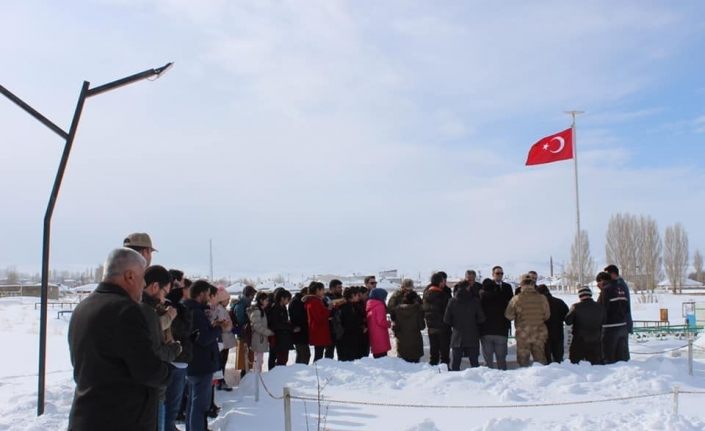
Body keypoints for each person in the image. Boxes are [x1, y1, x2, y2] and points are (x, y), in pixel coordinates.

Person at [68, 248, 171, 431]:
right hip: (122, 419)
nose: (143, 285)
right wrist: (167, 371)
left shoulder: (83, 307)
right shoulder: (127, 310)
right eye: (142, 279)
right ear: (130, 276)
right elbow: (148, 370)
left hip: (86, 416)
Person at [139, 265, 181, 431]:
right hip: (150, 389)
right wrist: (174, 349)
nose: (165, 299)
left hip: (154, 388)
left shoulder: (152, 308)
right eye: (165, 292)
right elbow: (154, 350)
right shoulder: (145, 310)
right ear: (155, 286)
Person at [184, 280, 226, 431]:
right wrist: (219, 329)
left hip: (195, 363)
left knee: (193, 403)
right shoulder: (196, 313)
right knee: (200, 405)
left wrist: (213, 327)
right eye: (208, 294)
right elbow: (204, 339)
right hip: (201, 364)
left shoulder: (192, 310)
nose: (209, 297)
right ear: (201, 293)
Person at [164, 277, 194, 431]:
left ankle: (170, 426)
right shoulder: (171, 310)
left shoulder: (178, 309)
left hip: (180, 359)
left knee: (174, 402)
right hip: (175, 360)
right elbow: (182, 331)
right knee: (171, 402)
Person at [505, 275, 550, 367]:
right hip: (539, 333)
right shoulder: (542, 298)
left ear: (521, 285)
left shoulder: (516, 299)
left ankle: (524, 378)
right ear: (533, 285)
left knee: (523, 360)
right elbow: (547, 316)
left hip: (523, 333)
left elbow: (508, 316)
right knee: (540, 358)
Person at [444, 281, 486, 370]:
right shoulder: (474, 301)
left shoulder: (452, 301)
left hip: (457, 336)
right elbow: (481, 318)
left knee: (455, 364)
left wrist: (455, 324)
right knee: (474, 364)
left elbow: (446, 320)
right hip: (472, 335)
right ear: (468, 288)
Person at [479, 266, 513, 370]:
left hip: (501, 327)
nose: (500, 275)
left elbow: (511, 304)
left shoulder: (507, 287)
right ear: (493, 274)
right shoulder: (484, 290)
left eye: (501, 273)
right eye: (497, 273)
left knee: (501, 357)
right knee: (489, 358)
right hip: (488, 328)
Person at [596, 271, 630, 363]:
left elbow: (601, 310)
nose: (597, 286)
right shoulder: (621, 289)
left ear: (601, 281)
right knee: (622, 359)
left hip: (610, 328)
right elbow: (627, 308)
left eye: (598, 283)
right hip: (623, 326)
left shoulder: (606, 290)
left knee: (609, 358)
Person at [565, 286, 605, 365]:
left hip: (579, 341)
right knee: (597, 366)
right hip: (596, 340)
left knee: (575, 365)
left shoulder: (576, 307)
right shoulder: (600, 307)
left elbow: (568, 321)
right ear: (590, 295)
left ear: (580, 296)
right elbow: (604, 321)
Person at [423, 272, 452, 366]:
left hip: (431, 327)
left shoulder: (426, 295)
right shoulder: (443, 296)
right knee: (444, 354)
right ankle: (445, 372)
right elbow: (449, 312)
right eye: (443, 281)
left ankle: (433, 372)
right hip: (443, 328)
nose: (445, 283)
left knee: (434, 353)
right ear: (440, 282)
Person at [536, 284, 569, 363]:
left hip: (543, 334)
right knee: (558, 359)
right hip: (558, 332)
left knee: (546, 360)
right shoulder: (559, 302)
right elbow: (567, 317)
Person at [211, 286, 236, 391]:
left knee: (222, 361)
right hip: (224, 339)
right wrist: (229, 326)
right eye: (227, 299)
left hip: (225, 339)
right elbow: (224, 325)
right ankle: (220, 382)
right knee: (222, 361)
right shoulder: (220, 310)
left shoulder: (221, 309)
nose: (229, 301)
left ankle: (220, 381)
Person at [393, 290, 425, 363]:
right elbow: (422, 326)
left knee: (404, 368)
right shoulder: (417, 310)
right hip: (415, 344)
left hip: (402, 344)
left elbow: (395, 326)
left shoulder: (397, 310)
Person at [304, 282, 332, 361]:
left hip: (318, 330)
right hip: (319, 331)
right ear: (317, 290)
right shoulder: (314, 302)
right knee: (319, 354)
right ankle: (316, 371)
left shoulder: (315, 301)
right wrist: (329, 309)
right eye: (322, 290)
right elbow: (320, 317)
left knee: (319, 353)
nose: (323, 292)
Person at [337, 286, 367, 361]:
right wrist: (361, 329)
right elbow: (350, 324)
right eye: (357, 295)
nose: (358, 297)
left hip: (352, 339)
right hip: (347, 340)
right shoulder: (346, 307)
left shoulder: (354, 305)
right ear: (352, 296)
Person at [248, 291, 275, 372]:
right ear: (261, 300)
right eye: (266, 300)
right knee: (258, 361)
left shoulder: (261, 310)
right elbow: (257, 326)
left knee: (259, 360)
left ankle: (258, 377)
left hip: (261, 339)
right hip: (258, 339)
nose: (267, 302)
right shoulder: (257, 311)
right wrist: (268, 332)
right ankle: (257, 379)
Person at [233, 285, 257, 376]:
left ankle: (247, 377)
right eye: (252, 295)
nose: (253, 297)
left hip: (248, 334)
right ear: (249, 295)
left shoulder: (246, 304)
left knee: (248, 359)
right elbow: (241, 320)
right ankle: (244, 380)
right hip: (243, 335)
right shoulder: (240, 305)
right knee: (244, 360)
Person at [604, 265, 633, 333]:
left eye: (607, 274)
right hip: (624, 323)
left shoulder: (617, 286)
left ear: (613, 274)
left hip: (617, 325)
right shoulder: (622, 284)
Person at [268, 289, 293, 367]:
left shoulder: (283, 307)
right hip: (278, 336)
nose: (288, 301)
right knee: (278, 357)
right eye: (288, 299)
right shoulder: (275, 308)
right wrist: (289, 327)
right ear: (282, 298)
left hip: (284, 336)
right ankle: (275, 374)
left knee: (284, 358)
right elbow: (276, 324)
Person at [367, 288, 392, 358]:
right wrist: (388, 323)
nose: (385, 299)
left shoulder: (370, 305)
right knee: (382, 357)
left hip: (374, 334)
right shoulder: (380, 306)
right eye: (384, 297)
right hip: (380, 335)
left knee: (377, 356)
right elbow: (381, 321)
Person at [289, 286, 311, 364]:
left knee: (301, 355)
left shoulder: (297, 301)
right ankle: (303, 372)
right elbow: (299, 318)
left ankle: (299, 369)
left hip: (300, 332)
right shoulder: (297, 302)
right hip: (300, 332)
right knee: (305, 355)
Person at [325, 279, 345, 359]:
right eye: (339, 287)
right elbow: (331, 305)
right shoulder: (326, 298)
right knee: (329, 352)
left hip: (340, 328)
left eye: (341, 287)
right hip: (331, 328)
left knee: (342, 351)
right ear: (332, 288)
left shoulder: (341, 297)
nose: (341, 289)